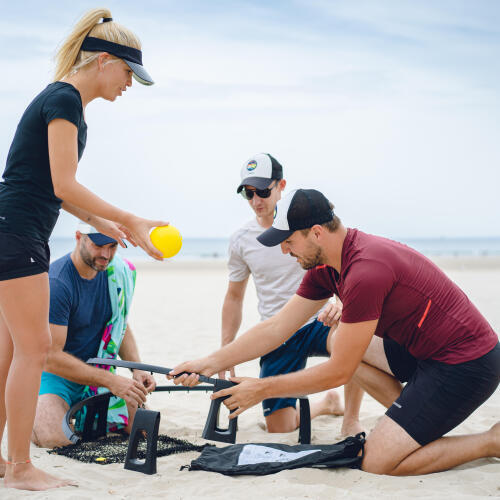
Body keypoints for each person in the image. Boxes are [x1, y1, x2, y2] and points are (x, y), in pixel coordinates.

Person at [171, 188, 500, 476]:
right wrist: (209, 362)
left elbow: (338, 372)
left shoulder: (365, 271)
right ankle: (415, 422)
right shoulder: (325, 268)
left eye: (288, 242)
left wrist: (260, 390)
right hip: (418, 350)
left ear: (315, 233)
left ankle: (490, 441)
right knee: (346, 343)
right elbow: (276, 328)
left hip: (465, 364)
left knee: (377, 462)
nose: (284, 251)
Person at [0, 8, 166, 491]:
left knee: (9, 353)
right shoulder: (65, 99)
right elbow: (63, 182)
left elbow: (59, 192)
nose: (130, 84)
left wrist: (112, 225)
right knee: (33, 352)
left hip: (11, 227)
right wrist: (129, 217)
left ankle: (4, 462)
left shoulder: (65, 103)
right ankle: (22, 467)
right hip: (19, 234)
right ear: (104, 61)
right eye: (129, 72)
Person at [221, 153, 357, 434]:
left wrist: (341, 303)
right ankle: (326, 404)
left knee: (355, 337)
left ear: (281, 185)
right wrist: (227, 352)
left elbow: (340, 267)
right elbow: (234, 297)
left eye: (263, 191)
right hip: (278, 332)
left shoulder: (307, 225)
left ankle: (351, 418)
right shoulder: (240, 239)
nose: (256, 200)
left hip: (319, 322)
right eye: (249, 193)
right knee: (280, 429)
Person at [32, 224, 156, 449]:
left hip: (100, 369)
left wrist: (137, 369)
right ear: (79, 237)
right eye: (98, 245)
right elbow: (50, 357)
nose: (106, 255)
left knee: (145, 432)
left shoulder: (115, 273)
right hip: (55, 374)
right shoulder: (58, 283)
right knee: (55, 440)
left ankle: (85, 412)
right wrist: (111, 381)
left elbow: (119, 325)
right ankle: (33, 411)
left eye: (113, 246)